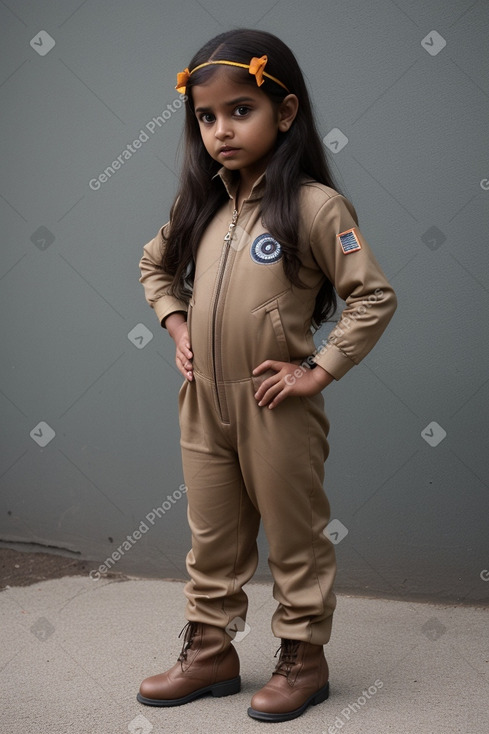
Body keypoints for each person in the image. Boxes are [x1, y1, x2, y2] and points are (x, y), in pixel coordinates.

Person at [137, 28, 397, 723]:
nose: (220, 130)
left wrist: (318, 368)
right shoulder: (199, 204)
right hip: (203, 404)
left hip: (272, 405)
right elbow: (153, 269)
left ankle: (303, 660)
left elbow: (372, 296)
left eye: (239, 110)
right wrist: (178, 325)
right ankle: (209, 651)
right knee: (211, 537)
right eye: (205, 117)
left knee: (294, 536)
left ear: (283, 113)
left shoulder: (314, 207)